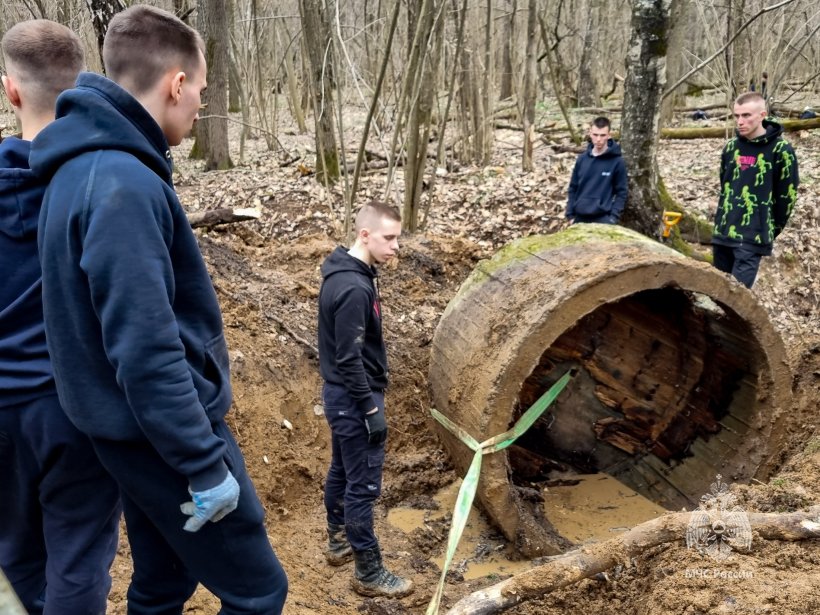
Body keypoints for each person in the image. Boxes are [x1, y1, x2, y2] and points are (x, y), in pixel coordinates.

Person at [30, 6, 287, 613]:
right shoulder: (121, 184)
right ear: (175, 83)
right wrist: (202, 464)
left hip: (128, 432)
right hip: (163, 441)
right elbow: (144, 347)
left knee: (165, 580)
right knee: (258, 592)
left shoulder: (80, 168)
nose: (201, 102)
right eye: (200, 88)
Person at [0, 20, 121, 614]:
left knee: (17, 555)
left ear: (10, 91)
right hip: (76, 412)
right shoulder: (101, 183)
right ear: (79, 88)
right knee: (77, 562)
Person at [317, 201, 414, 598]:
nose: (396, 246)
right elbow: (348, 357)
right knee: (363, 487)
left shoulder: (351, 271)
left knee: (342, 467)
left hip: (341, 397)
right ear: (365, 234)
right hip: (355, 399)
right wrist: (371, 409)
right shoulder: (354, 287)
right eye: (389, 238)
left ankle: (338, 541)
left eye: (398, 237)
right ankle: (368, 572)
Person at [712, 91, 799, 288]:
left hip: (753, 237)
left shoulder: (781, 150)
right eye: (736, 116)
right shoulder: (731, 148)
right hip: (723, 233)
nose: (740, 121)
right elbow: (725, 185)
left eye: (746, 115)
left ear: (762, 115)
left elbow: (787, 197)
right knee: (716, 294)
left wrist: (766, 228)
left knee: (736, 297)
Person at [565, 116, 628, 225]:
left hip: (603, 218)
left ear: (609, 135)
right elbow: (573, 187)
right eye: (595, 135)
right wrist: (570, 215)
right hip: (579, 218)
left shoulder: (617, 162)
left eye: (602, 135)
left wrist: (613, 218)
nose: (598, 139)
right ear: (590, 133)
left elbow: (621, 192)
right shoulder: (582, 159)